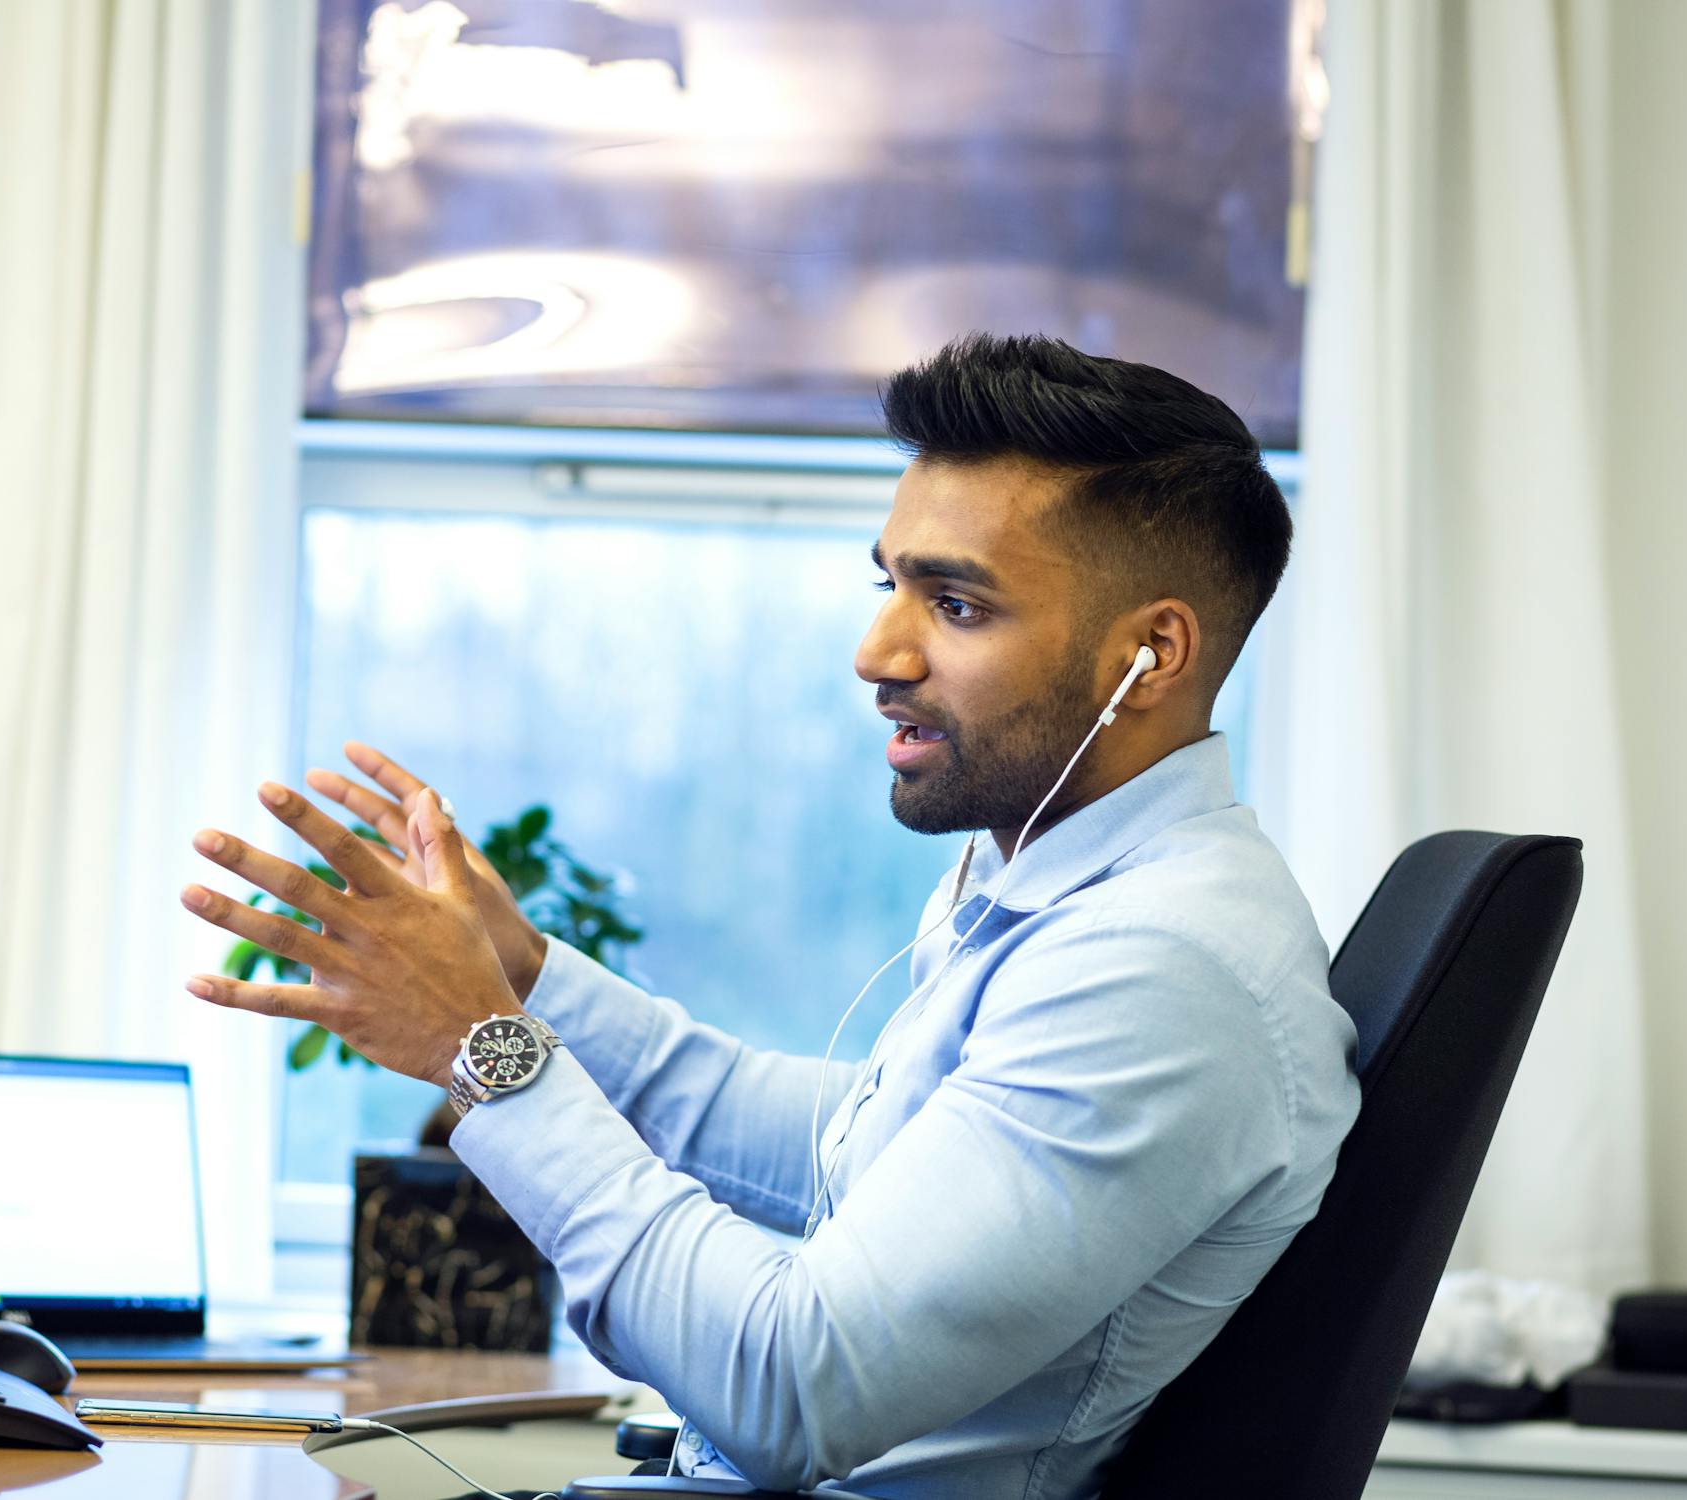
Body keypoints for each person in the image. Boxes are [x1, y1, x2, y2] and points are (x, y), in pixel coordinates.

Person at [177, 333, 1361, 1498]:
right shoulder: (1078, 889)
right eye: (889, 584)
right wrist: (531, 980)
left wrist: (479, 1049)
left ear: (1150, 655)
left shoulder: (1161, 971)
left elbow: (792, 1389)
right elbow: (843, 1149)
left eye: (955, 606)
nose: (875, 653)